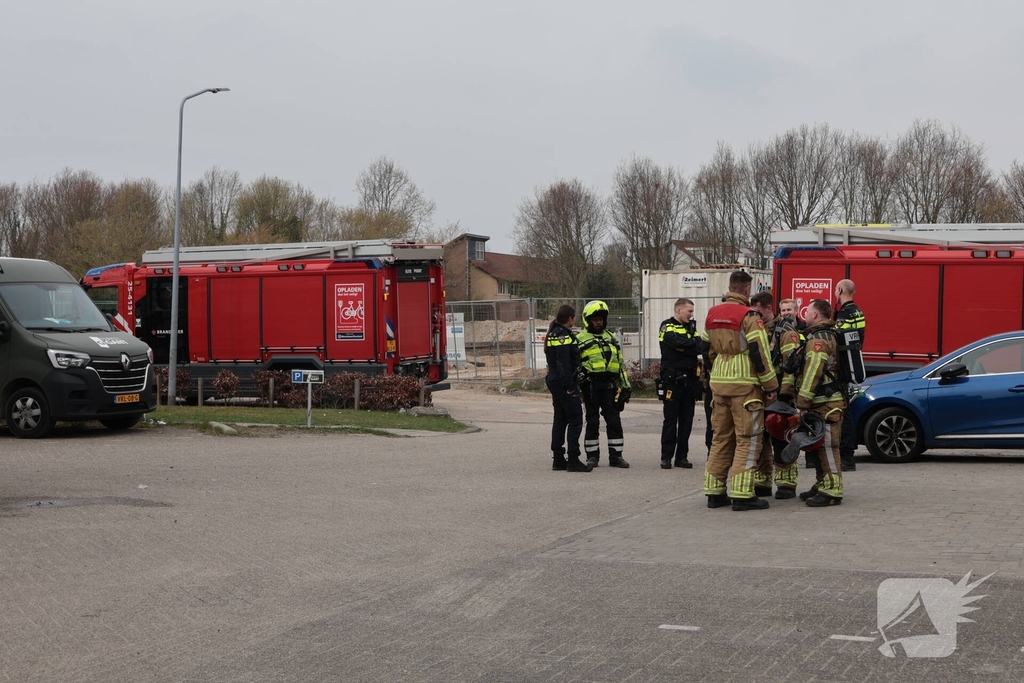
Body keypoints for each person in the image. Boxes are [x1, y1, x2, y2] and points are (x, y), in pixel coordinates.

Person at [703, 271, 779, 511]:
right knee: (748, 439)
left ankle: (714, 492)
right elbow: (760, 353)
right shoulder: (750, 317)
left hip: (719, 384)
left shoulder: (712, 313)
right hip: (745, 387)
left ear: (730, 287)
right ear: (747, 290)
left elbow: (707, 349)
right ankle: (742, 494)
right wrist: (771, 387)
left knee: (721, 438)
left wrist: (715, 373)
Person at [780, 299, 845, 506]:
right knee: (818, 447)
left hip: (826, 402)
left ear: (815, 315)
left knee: (827, 446)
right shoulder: (827, 335)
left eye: (808, 312)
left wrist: (802, 401)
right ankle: (822, 483)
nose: (804, 316)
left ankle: (832, 491)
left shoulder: (819, 339)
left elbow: (813, 372)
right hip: (824, 401)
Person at [750, 291, 802, 499]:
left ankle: (786, 483)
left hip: (781, 394)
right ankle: (762, 481)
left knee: (782, 438)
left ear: (770, 309)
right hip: (759, 393)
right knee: (760, 438)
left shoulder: (785, 331)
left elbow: (792, 366)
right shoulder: (755, 328)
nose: (756, 316)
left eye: (759, 312)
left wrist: (784, 395)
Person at [577, 300, 630, 468]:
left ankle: (616, 456)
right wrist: (580, 383)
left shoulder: (611, 338)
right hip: (591, 386)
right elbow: (574, 364)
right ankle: (592, 456)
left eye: (600, 319)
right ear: (588, 320)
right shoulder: (580, 339)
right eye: (595, 319)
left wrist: (626, 386)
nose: (598, 322)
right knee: (592, 422)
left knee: (614, 421)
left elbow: (620, 364)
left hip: (610, 385)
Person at [544, 305, 591, 472]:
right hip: (562, 381)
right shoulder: (563, 335)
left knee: (561, 418)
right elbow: (563, 362)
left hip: (554, 379)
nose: (575, 319)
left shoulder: (554, 332)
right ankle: (573, 459)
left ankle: (558, 458)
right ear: (570, 318)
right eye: (574, 317)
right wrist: (570, 387)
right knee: (575, 418)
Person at [659, 298, 700, 469]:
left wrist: (686, 347)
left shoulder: (692, 327)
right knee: (670, 419)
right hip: (672, 381)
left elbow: (699, 346)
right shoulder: (667, 325)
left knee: (687, 419)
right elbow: (673, 341)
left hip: (689, 380)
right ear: (678, 310)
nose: (691, 315)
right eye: (689, 311)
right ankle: (666, 457)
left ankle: (681, 457)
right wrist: (687, 346)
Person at [834, 279, 866, 472]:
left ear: (840, 290)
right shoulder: (858, 311)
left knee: (843, 413)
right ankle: (847, 453)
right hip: (853, 363)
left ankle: (846, 456)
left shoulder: (845, 313)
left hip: (843, 367)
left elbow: (836, 336)